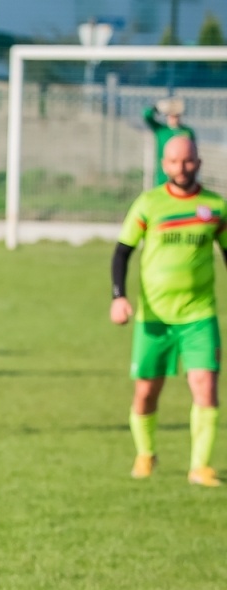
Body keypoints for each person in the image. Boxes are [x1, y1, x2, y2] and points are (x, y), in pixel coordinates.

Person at [111, 135, 222, 487]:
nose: (181, 168)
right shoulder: (149, 204)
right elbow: (122, 251)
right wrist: (118, 296)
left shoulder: (215, 207)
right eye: (174, 161)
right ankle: (146, 453)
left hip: (199, 315)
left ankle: (200, 466)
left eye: (187, 161)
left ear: (198, 162)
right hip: (154, 317)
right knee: (146, 392)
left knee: (205, 387)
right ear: (164, 165)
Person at [144, 98, 195, 182]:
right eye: (170, 115)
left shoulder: (187, 131)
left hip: (182, 173)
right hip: (163, 174)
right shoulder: (161, 130)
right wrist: (156, 107)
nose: (173, 118)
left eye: (176, 115)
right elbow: (146, 115)